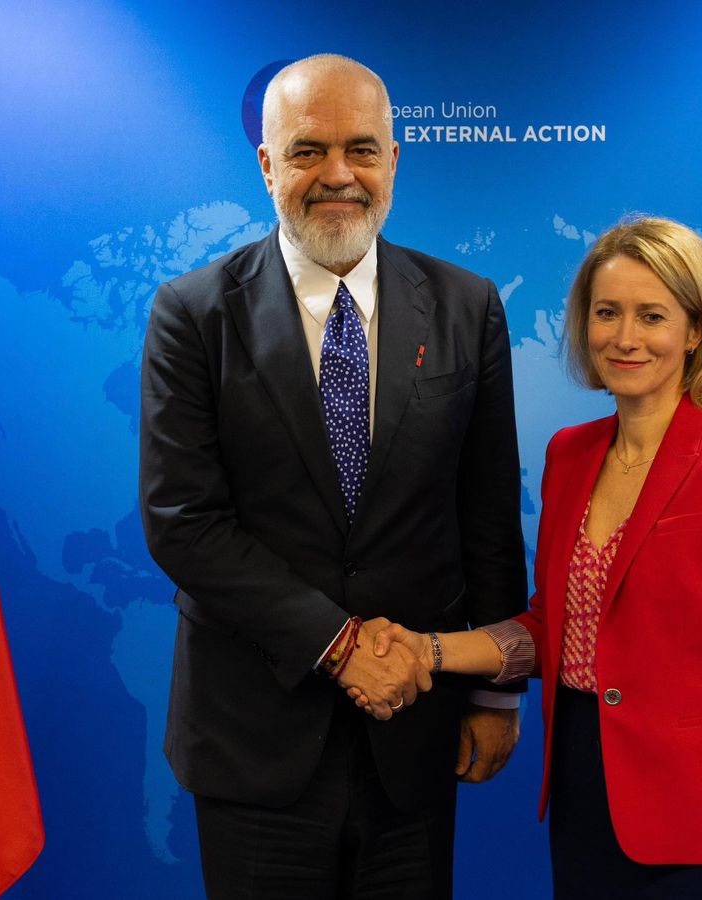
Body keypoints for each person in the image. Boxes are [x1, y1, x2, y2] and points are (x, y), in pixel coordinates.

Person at [139, 54, 527, 899]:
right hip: (253, 740)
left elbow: (488, 512)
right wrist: (339, 644)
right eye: (309, 150)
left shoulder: (467, 306)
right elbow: (184, 521)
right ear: (267, 164)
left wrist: (497, 696)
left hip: (416, 736)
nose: (339, 175)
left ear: (394, 161)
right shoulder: (193, 313)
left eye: (362, 149)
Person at [362, 217, 702, 899]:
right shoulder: (570, 454)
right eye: (607, 313)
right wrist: (428, 649)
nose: (625, 337)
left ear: (696, 331)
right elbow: (555, 629)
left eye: (652, 316)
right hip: (583, 788)